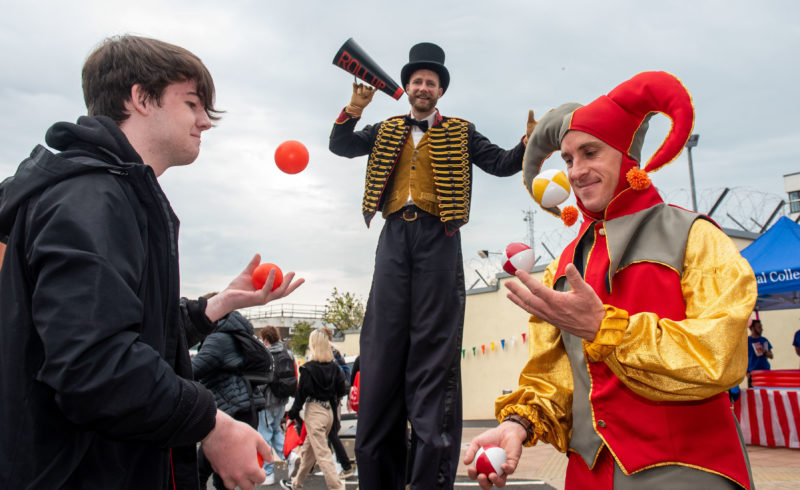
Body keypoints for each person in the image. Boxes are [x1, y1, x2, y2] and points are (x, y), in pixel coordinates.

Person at [0, 35, 304, 490]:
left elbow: (127, 330)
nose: (205, 121)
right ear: (141, 98)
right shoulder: (92, 199)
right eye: (192, 103)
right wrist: (211, 425)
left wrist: (215, 306)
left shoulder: (112, 194)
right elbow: (93, 364)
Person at [464, 71, 757, 489]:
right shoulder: (563, 264)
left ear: (626, 155)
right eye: (567, 159)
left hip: (687, 473)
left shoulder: (694, 236)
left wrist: (606, 329)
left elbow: (721, 354)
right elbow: (553, 377)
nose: (577, 171)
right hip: (587, 476)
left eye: (590, 152)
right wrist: (518, 425)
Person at [328, 41, 530, 489]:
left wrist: (526, 143)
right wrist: (353, 108)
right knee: (383, 344)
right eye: (417, 81)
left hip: (440, 238)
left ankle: (427, 480)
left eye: (431, 82)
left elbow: (499, 164)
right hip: (395, 236)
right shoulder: (384, 129)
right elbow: (340, 145)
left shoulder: (461, 130)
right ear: (407, 87)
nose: (423, 87)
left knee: (434, 350)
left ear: (440, 91)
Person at [193, 309, 268, 489]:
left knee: (200, 472)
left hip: (231, 408)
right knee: (224, 477)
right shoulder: (235, 335)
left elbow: (192, 370)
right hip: (244, 406)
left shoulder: (218, 339)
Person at [280, 329, 348, 490]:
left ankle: (337, 487)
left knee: (322, 453)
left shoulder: (308, 369)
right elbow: (341, 389)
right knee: (309, 450)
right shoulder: (333, 368)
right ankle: (296, 483)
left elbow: (300, 395)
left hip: (314, 410)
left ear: (313, 345)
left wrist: (293, 414)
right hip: (329, 411)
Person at [257, 326, 295, 486]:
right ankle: (290, 455)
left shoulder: (266, 355)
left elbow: (262, 381)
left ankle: (269, 472)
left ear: (265, 339)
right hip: (281, 399)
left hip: (267, 401)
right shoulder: (288, 353)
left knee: (265, 435)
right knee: (275, 432)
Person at [319, 327, 354, 478]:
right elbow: (345, 371)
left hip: (330, 398)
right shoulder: (333, 353)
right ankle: (334, 463)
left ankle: (343, 465)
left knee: (330, 432)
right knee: (329, 432)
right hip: (333, 397)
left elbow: (341, 372)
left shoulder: (329, 353)